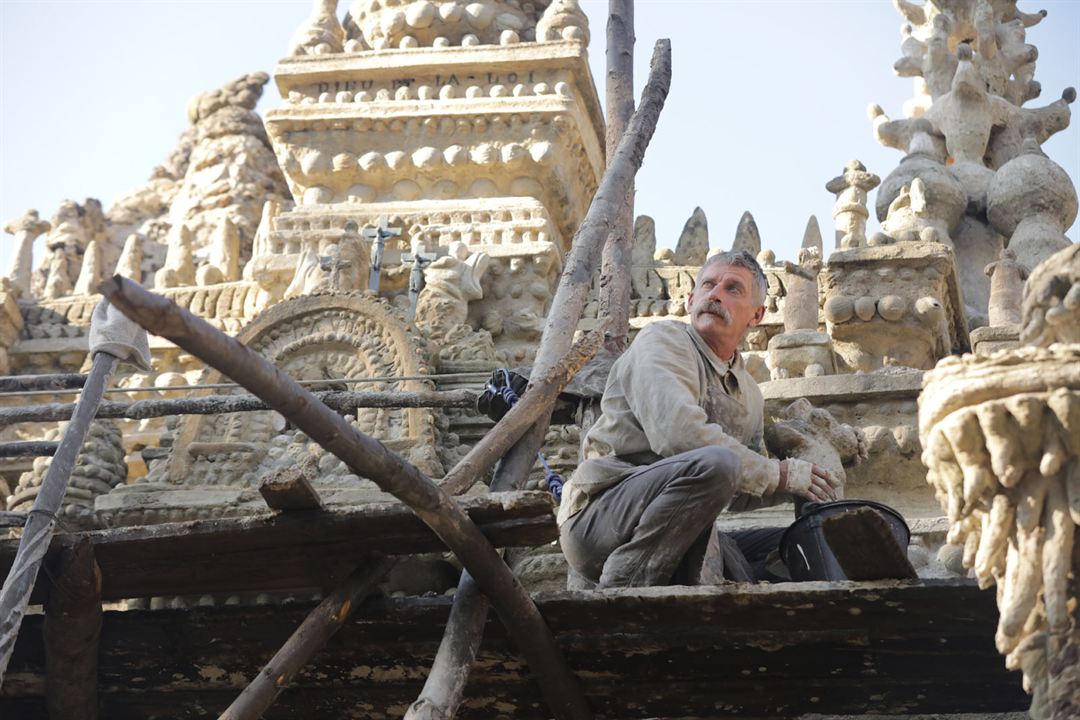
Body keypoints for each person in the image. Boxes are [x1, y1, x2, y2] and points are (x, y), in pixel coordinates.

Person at [558, 250, 838, 588]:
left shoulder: (750, 392)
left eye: (733, 289)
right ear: (691, 300)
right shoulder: (662, 340)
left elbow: (736, 487)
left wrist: (804, 483)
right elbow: (678, 435)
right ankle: (623, 587)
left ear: (757, 315)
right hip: (604, 517)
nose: (715, 294)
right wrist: (778, 474)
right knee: (718, 462)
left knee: (793, 544)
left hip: (680, 528)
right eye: (708, 285)